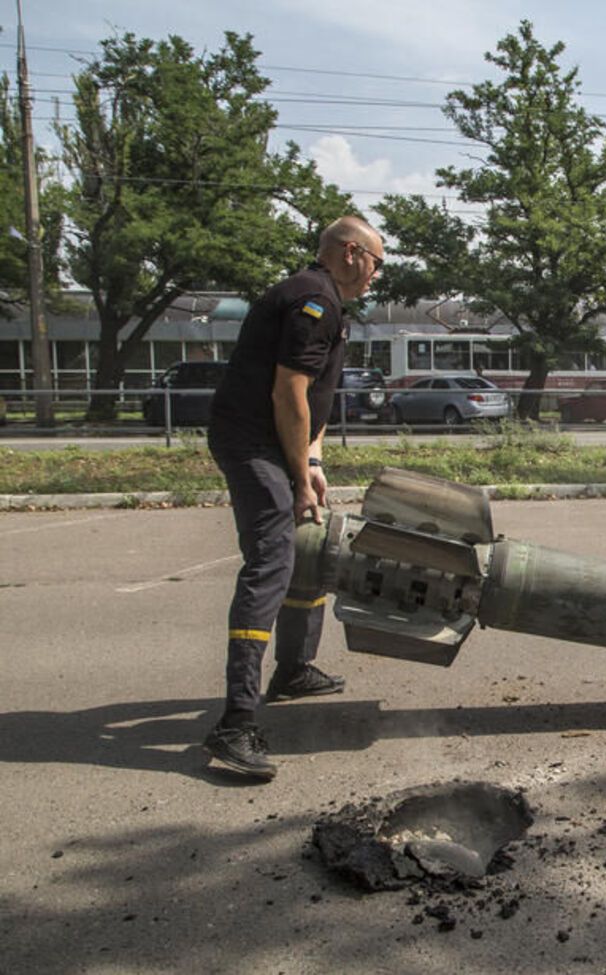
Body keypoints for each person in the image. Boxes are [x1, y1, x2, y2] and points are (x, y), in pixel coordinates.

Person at [203, 215, 385, 780]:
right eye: (377, 263)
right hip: (255, 443)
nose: (378, 276)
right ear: (352, 252)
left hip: (276, 446)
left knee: (308, 544)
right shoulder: (313, 299)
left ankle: (294, 669)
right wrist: (297, 473)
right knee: (272, 561)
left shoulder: (325, 299)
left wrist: (311, 461)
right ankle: (235, 723)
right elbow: (290, 391)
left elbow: (318, 398)